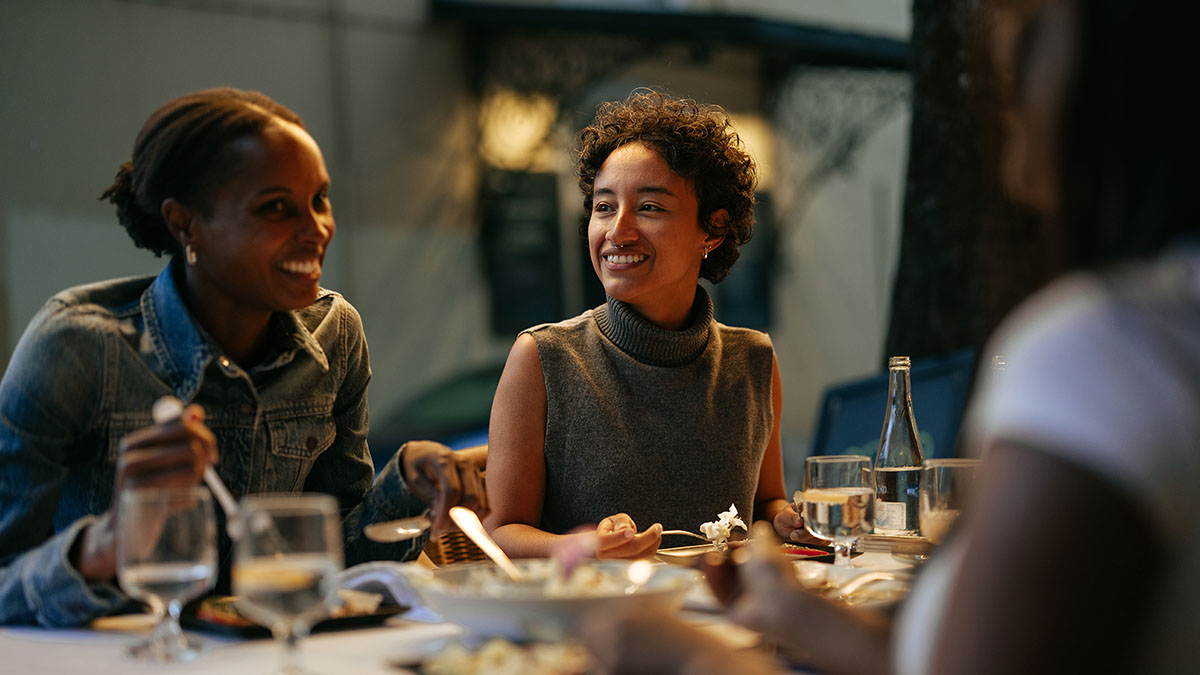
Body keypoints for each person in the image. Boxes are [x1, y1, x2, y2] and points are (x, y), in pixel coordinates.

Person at [583, 0, 1200, 672]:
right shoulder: (1155, 330)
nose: (1004, 68)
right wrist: (796, 612)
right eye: (603, 205)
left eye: (1033, 35)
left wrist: (691, 661)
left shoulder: (1108, 351)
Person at [0, 88, 486, 627]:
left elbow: (334, 565)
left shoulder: (334, 334)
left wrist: (407, 482)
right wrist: (104, 543)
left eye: (320, 199)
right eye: (275, 207)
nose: (317, 229)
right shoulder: (78, 347)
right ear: (186, 224)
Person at [485, 91, 803, 560]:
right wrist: (587, 546)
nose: (618, 231)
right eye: (604, 206)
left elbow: (763, 501)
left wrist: (782, 518)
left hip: (722, 606)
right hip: (594, 605)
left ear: (712, 229)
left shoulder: (753, 359)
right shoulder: (543, 358)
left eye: (649, 207)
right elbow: (500, 532)